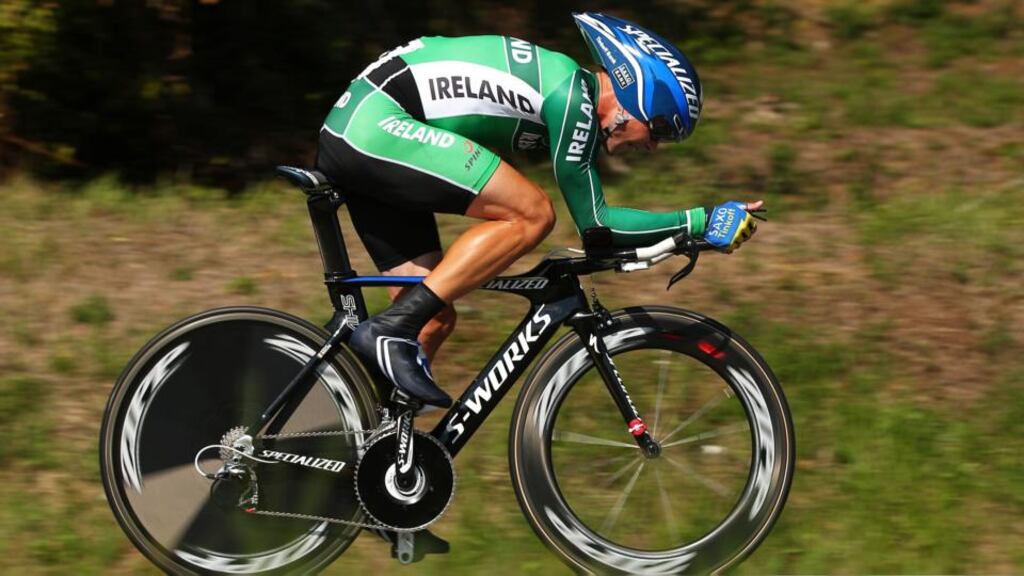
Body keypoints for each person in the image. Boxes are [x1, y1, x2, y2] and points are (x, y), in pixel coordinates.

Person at [316, 12, 762, 410]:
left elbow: (601, 232)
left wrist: (688, 231)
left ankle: (361, 453)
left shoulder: (566, 92)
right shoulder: (572, 96)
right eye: (661, 129)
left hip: (364, 130)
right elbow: (599, 227)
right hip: (376, 125)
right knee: (532, 213)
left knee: (431, 319)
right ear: (635, 95)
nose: (652, 145)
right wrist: (701, 222)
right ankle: (390, 329)